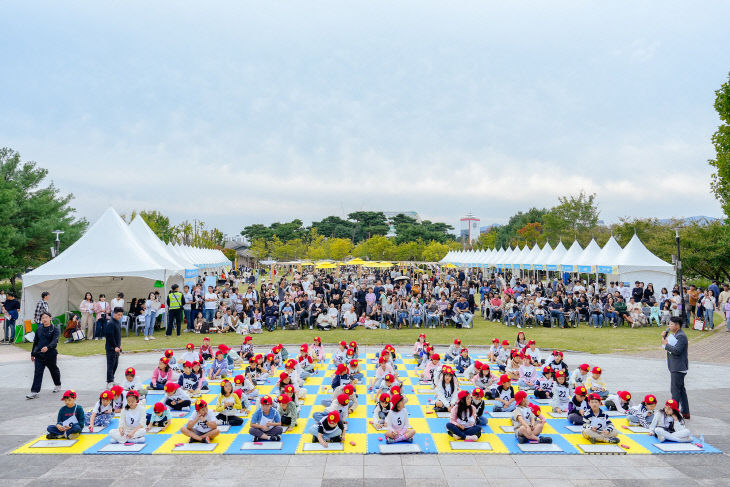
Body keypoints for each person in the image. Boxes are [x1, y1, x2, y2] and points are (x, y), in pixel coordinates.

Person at [27, 311, 61, 399]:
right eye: (42, 318)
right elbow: (36, 342)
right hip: (39, 355)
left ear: (50, 318)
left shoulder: (55, 329)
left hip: (50, 354)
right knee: (38, 372)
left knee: (53, 370)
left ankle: (57, 384)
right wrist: (32, 354)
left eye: (46, 317)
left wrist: (48, 347)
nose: (44, 319)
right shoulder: (39, 329)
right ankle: (34, 392)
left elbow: (55, 341)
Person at [663, 316, 690, 419]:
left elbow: (677, 351)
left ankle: (674, 413)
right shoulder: (675, 335)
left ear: (677, 325)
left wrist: (666, 345)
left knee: (675, 391)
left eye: (671, 324)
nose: (669, 326)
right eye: (669, 324)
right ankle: (685, 412)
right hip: (675, 366)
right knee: (681, 390)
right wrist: (664, 338)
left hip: (678, 367)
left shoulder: (681, 336)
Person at [105, 307, 123, 389]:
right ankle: (109, 382)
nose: (120, 316)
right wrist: (115, 346)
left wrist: (119, 345)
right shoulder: (111, 323)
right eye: (118, 314)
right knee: (111, 365)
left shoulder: (117, 322)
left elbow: (118, 335)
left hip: (117, 348)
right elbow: (110, 336)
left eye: (121, 315)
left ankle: (112, 380)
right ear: (114, 314)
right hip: (111, 348)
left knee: (115, 365)